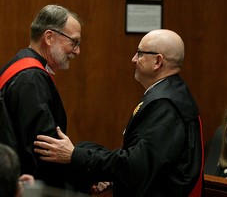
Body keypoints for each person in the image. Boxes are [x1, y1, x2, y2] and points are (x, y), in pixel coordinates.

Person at [34, 29, 204, 197]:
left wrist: (75, 155)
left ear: (158, 62)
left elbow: (137, 166)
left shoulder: (166, 105)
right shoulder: (171, 94)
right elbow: (152, 163)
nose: (133, 59)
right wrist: (114, 177)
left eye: (139, 53)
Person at [0, 4, 82, 188]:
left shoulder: (19, 67)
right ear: (49, 37)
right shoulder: (31, 78)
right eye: (74, 42)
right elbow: (45, 150)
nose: (77, 51)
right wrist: (83, 178)